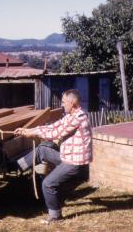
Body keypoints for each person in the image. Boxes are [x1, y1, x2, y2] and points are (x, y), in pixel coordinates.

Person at [14, 89, 92, 224]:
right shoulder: (71, 116)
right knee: (42, 149)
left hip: (74, 162)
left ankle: (55, 217)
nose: (62, 105)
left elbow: (56, 133)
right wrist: (28, 130)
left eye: (63, 102)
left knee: (48, 184)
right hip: (67, 156)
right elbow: (53, 126)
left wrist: (34, 134)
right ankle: (16, 167)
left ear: (72, 102)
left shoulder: (78, 118)